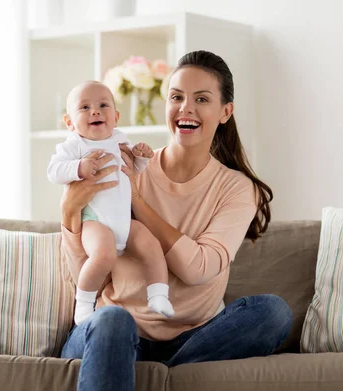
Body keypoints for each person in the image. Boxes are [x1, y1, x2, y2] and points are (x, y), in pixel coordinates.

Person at [59, 51, 293, 391]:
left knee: (273, 313)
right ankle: (155, 375)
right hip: (117, 333)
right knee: (111, 319)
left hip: (194, 339)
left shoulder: (237, 189)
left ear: (225, 112)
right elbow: (91, 268)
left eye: (202, 99)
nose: (186, 108)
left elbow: (197, 269)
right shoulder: (126, 163)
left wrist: (138, 202)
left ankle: (161, 374)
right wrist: (69, 215)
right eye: (177, 97)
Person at [47, 80, 175, 325]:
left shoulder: (119, 140)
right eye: (84, 107)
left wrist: (142, 157)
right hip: (94, 220)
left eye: (103, 105)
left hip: (124, 219)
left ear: (115, 117)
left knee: (151, 245)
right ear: (70, 122)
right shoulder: (75, 145)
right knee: (104, 256)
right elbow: (54, 171)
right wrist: (78, 167)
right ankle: (84, 303)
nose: (95, 111)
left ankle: (158, 295)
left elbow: (132, 171)